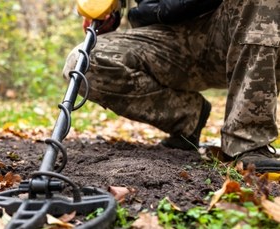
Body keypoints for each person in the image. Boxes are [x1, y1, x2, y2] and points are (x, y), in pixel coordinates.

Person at [63, 0, 280, 173]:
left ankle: (249, 141)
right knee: (82, 62)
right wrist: (108, 16)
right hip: (163, 39)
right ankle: (188, 118)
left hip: (234, 28)